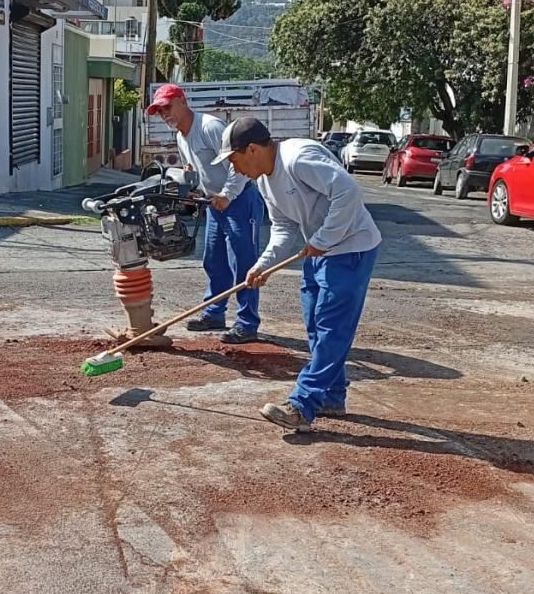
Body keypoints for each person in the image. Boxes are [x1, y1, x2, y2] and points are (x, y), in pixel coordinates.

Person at [214, 117, 382, 433]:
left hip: (351, 249)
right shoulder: (264, 180)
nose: (233, 170)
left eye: (233, 160)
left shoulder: (299, 157)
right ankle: (332, 397)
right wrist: (263, 265)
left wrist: (323, 239)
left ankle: (302, 405)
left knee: (331, 327)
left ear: (251, 149)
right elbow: (283, 228)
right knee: (316, 326)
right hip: (319, 250)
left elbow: (347, 192)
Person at [146, 83, 264, 344]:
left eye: (167, 107)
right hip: (214, 203)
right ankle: (214, 312)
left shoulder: (209, 127)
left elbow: (237, 163)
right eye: (159, 111)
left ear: (182, 101)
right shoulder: (181, 136)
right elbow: (196, 168)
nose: (165, 114)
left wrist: (227, 195)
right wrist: (194, 187)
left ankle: (247, 322)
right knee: (214, 260)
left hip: (239, 200)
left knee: (244, 263)